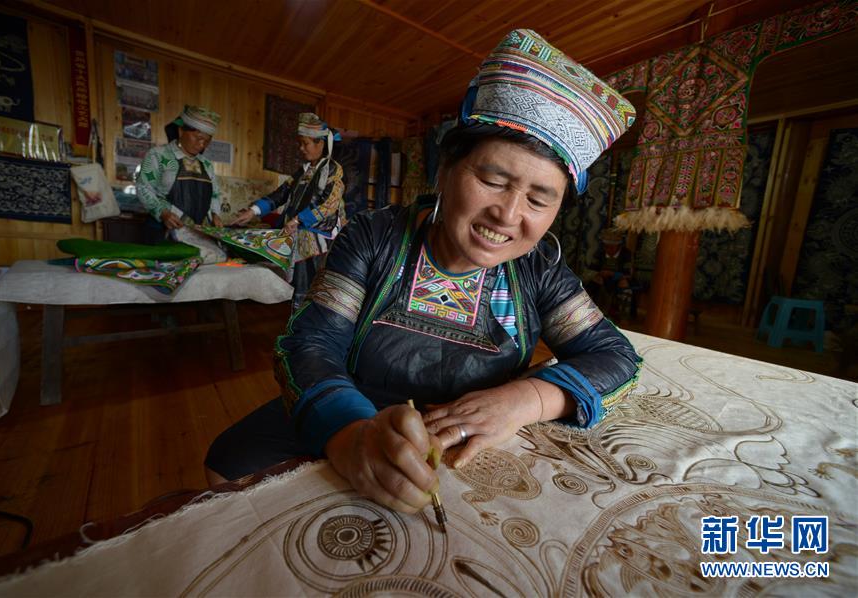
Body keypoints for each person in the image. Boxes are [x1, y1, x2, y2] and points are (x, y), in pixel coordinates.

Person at [206, 30, 642, 515]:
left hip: (469, 433)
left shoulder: (538, 270)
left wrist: (523, 400)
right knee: (228, 465)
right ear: (445, 171)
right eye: (492, 180)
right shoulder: (374, 237)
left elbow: (614, 356)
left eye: (539, 200)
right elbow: (311, 343)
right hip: (349, 404)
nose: (508, 215)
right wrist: (352, 433)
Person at [231, 113, 346, 308]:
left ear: (320, 143)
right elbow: (281, 193)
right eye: (300, 143)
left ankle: (303, 312)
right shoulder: (302, 171)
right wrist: (253, 211)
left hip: (317, 233)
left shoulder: (333, 169)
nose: (301, 148)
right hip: (296, 228)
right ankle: (292, 308)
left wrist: (298, 220)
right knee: (260, 244)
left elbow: (329, 204)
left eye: (305, 143)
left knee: (306, 261)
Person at [136, 105, 223, 241]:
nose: (202, 145)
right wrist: (163, 213)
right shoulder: (158, 155)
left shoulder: (206, 164)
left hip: (197, 233)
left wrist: (215, 214)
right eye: (198, 138)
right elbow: (143, 187)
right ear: (181, 130)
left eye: (207, 141)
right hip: (163, 230)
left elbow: (215, 194)